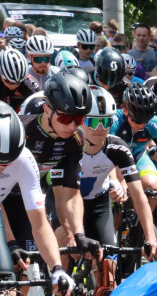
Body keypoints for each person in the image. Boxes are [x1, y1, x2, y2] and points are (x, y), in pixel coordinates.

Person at [0, 102, 72, 294]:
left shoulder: (24, 160)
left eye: (6, 166)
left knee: (6, 288)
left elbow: (39, 224)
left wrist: (57, 268)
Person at [6, 73, 102, 265]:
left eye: (79, 118)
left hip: (29, 203)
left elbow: (70, 194)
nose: (74, 126)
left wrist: (78, 233)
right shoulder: (17, 131)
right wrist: (9, 241)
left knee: (29, 269)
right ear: (46, 110)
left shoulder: (75, 140)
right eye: (66, 118)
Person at [77, 86, 157, 257]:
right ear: (81, 121)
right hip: (70, 204)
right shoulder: (69, 145)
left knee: (110, 268)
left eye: (106, 122)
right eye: (93, 122)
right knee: (71, 251)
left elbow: (139, 196)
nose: (100, 128)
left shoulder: (117, 146)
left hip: (98, 203)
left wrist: (150, 238)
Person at [111, 82, 157, 203]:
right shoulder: (114, 120)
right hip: (114, 160)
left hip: (138, 155)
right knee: (117, 191)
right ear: (125, 111)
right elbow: (109, 154)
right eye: (137, 121)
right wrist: (121, 181)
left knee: (152, 186)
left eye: (146, 121)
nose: (141, 125)